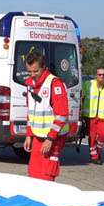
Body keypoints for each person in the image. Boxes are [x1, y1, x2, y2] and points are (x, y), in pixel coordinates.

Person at [23, 51, 69, 181]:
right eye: (29, 72)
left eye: (35, 71)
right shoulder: (30, 85)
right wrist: (28, 135)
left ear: (43, 67)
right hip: (38, 135)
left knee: (47, 172)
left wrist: (50, 138)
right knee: (34, 170)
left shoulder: (54, 84)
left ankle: (47, 199)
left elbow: (62, 114)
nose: (32, 75)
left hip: (54, 136)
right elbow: (31, 112)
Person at [82, 68, 104, 164]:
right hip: (90, 116)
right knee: (92, 136)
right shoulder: (88, 84)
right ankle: (94, 156)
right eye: (99, 74)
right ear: (95, 75)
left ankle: (97, 152)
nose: (101, 76)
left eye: (103, 75)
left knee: (103, 135)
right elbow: (82, 99)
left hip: (103, 116)